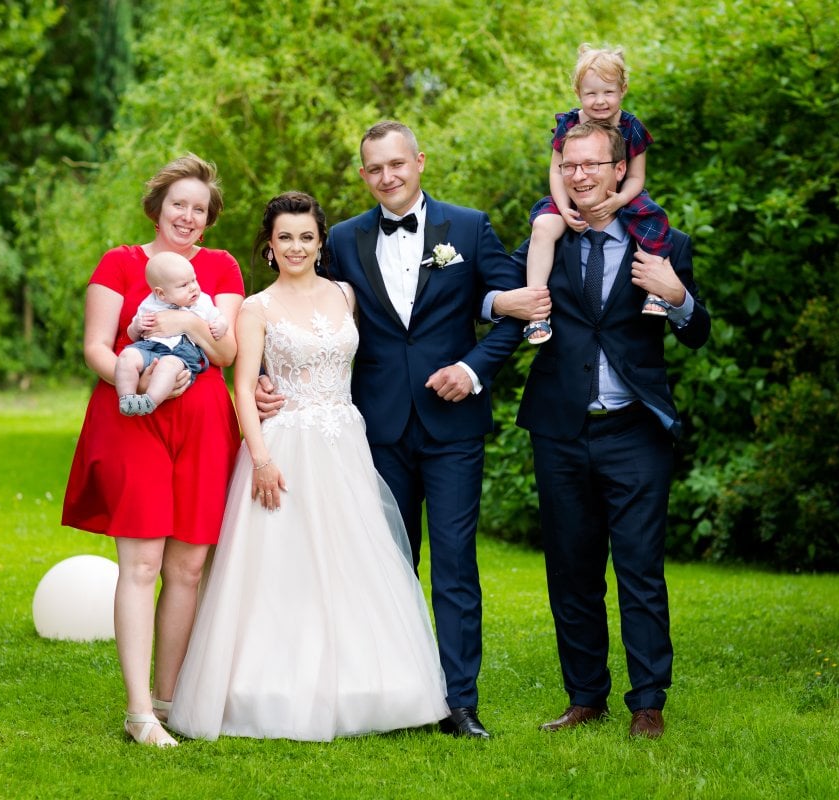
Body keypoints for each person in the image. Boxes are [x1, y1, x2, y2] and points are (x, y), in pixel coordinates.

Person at [256, 122, 548, 739]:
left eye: (397, 164)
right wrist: (262, 375)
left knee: (455, 564)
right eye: (375, 168)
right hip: (373, 426)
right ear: (363, 175)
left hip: (452, 427)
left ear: (419, 162)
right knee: (384, 560)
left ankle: (459, 702)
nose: (387, 176)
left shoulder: (468, 227)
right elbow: (303, 310)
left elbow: (514, 306)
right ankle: (393, 694)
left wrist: (473, 369)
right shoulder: (342, 238)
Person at [169, 192, 450, 741]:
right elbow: (244, 389)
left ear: (321, 242)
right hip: (285, 448)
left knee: (354, 562)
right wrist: (261, 459)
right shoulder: (256, 308)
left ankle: (369, 685)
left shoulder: (345, 295)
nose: (295, 247)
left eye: (305, 237)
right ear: (269, 246)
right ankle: (270, 688)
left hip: (344, 443)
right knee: (283, 570)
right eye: (284, 238)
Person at [514, 119, 710, 739]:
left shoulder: (663, 242)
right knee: (571, 570)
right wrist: (499, 306)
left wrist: (676, 295)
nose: (579, 176)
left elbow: (698, 331)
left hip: (636, 432)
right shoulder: (548, 237)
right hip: (560, 431)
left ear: (620, 170)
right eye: (569, 166)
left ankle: (648, 702)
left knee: (640, 570)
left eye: (592, 165)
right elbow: (499, 300)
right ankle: (585, 698)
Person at [61, 154, 244, 748]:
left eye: (199, 208)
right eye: (178, 205)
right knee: (141, 564)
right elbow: (96, 346)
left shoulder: (221, 267)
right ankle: (139, 712)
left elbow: (226, 352)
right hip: (132, 419)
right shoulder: (119, 262)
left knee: (187, 568)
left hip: (204, 424)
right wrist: (139, 380)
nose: (188, 216)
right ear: (157, 208)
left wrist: (187, 327)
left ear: (209, 217)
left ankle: (168, 700)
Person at [523, 44, 673, 346]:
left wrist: (619, 200)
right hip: (570, 194)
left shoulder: (631, 128)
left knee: (652, 221)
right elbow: (557, 171)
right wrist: (563, 208)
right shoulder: (569, 124)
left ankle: (656, 292)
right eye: (591, 93)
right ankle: (536, 309)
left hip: (623, 194)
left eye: (608, 92)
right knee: (543, 226)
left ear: (623, 90)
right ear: (578, 92)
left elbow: (636, 177)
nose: (600, 101)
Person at [114, 250, 228, 416]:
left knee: (168, 366)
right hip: (149, 347)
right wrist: (137, 326)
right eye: (184, 285)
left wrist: (221, 325)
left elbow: (219, 317)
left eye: (194, 280)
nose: (193, 287)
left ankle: (149, 401)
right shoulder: (149, 304)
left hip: (182, 352)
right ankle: (128, 399)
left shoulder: (202, 301)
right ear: (161, 293)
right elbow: (132, 335)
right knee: (127, 356)